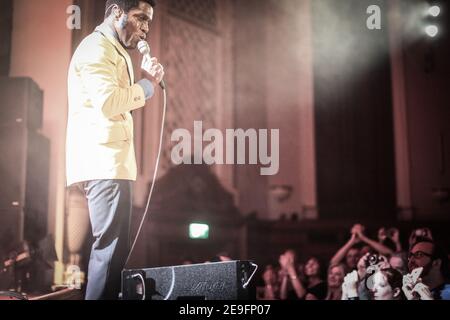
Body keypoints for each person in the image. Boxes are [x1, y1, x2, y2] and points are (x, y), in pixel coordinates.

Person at [66, 0, 164, 300]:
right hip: (103, 164)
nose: (146, 28)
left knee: (112, 254)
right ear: (117, 12)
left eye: (149, 22)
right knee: (109, 254)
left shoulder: (113, 49)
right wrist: (147, 86)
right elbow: (109, 103)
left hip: (109, 164)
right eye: (140, 18)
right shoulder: (96, 48)